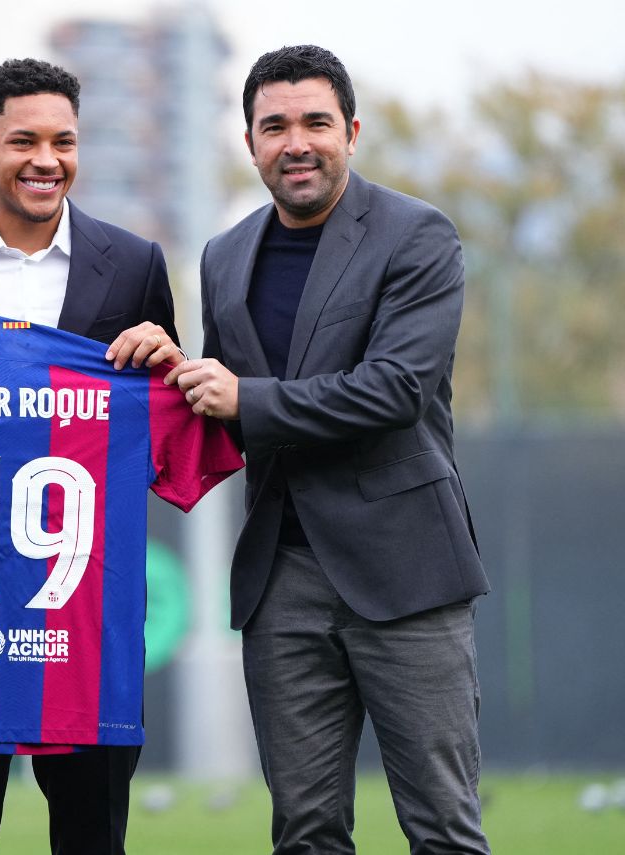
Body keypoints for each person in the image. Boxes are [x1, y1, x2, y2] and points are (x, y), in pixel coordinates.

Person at [166, 44, 491, 854]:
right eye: (274, 126)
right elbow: (225, 409)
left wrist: (248, 398)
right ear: (250, 143)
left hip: (406, 573)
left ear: (351, 131)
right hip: (284, 581)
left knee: (444, 828)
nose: (296, 142)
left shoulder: (419, 236)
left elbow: (395, 391)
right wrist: (164, 366)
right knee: (306, 832)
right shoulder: (224, 255)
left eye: (315, 122)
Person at [0, 58, 182, 855]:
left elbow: (163, 423)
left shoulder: (137, 263)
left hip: (81, 624)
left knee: (92, 838)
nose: (47, 159)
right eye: (24, 141)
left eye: (64, 141)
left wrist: (167, 357)